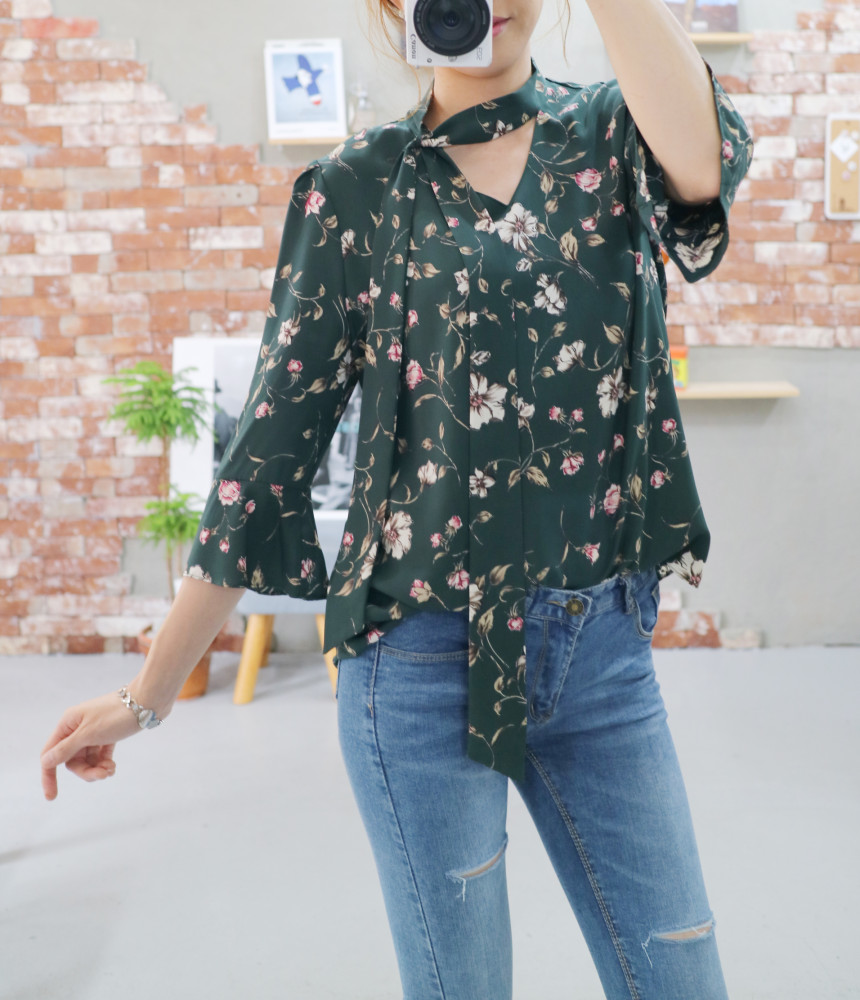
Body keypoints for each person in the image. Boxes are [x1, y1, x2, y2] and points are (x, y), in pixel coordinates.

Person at [41, 0, 754, 996]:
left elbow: (704, 169)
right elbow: (266, 456)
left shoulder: (614, 134)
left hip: (599, 656)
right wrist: (146, 694)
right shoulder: (357, 187)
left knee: (681, 974)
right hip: (418, 668)